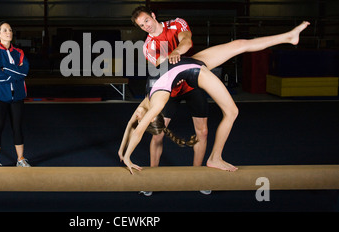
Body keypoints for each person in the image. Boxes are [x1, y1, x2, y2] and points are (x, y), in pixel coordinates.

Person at [119, 21, 310, 174]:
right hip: (193, 70)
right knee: (232, 111)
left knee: (239, 45)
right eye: (144, 119)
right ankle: (214, 158)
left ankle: (289, 36)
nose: (139, 117)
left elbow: (131, 126)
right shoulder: (156, 104)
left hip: (187, 63)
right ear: (153, 117)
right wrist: (128, 157)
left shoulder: (146, 102)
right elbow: (138, 131)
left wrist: (122, 152)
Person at [131, 6, 210, 194]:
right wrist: (169, 56)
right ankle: (152, 178)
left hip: (192, 84)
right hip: (169, 90)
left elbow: (187, 40)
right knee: (157, 134)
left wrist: (177, 52)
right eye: (141, 26)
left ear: (153, 16)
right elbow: (162, 65)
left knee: (203, 132)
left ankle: (197, 177)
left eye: (147, 21)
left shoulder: (176, 23)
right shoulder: (148, 46)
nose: (146, 27)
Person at [0, 21, 31, 167]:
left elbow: (24, 71)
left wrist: (5, 68)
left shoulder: (19, 53)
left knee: (17, 127)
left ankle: (20, 159)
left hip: (17, 96)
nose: (9, 32)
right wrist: (14, 72)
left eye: (10, 30)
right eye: (5, 30)